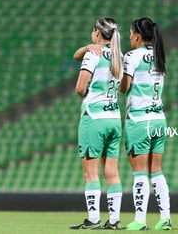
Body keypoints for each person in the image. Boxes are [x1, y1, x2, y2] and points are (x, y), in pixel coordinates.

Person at [69, 17, 124, 230]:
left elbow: (79, 88)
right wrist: (87, 47)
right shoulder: (119, 54)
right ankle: (114, 219)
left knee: (90, 173)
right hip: (114, 119)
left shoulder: (93, 55)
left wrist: (88, 94)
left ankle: (93, 219)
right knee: (112, 172)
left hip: (94, 118)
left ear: (97, 32)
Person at [119, 17, 172, 231]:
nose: (130, 37)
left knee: (139, 173)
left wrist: (119, 77)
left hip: (139, 120)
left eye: (131, 34)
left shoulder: (132, 56)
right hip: (159, 119)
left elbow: (125, 87)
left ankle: (140, 221)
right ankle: (165, 219)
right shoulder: (159, 56)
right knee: (156, 171)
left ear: (138, 36)